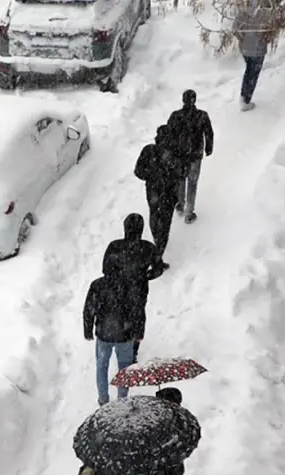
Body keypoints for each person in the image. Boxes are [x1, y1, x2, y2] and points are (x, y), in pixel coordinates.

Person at [101, 212, 167, 361]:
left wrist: (117, 278)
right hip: (139, 289)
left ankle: (120, 342)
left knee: (119, 313)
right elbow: (158, 269)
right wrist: (144, 276)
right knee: (137, 317)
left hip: (118, 288)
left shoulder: (115, 246)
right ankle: (133, 351)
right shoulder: (148, 248)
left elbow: (106, 269)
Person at [83, 255, 146, 406]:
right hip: (125, 334)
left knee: (101, 367)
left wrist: (88, 329)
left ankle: (103, 400)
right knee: (125, 369)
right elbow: (138, 309)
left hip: (103, 332)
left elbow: (89, 308)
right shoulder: (131, 284)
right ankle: (122, 400)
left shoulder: (97, 285)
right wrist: (139, 331)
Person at [164, 90, 214, 222]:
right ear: (194, 100)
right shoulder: (202, 116)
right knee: (192, 183)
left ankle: (180, 204)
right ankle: (189, 212)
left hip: (179, 155)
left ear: (183, 100)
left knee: (180, 179)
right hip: (195, 155)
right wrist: (209, 148)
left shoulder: (175, 116)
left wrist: (168, 151)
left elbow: (168, 135)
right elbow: (209, 133)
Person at [134, 126, 182, 256]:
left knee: (154, 214)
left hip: (153, 190)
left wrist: (150, 176)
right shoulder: (175, 152)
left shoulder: (148, 150)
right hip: (169, 191)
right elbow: (183, 172)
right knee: (165, 221)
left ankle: (157, 240)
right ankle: (159, 248)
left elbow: (138, 171)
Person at [234, 2, 272, 110]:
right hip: (258, 49)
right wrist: (265, 40)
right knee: (253, 74)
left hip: (246, 50)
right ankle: (246, 100)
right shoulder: (265, 12)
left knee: (248, 71)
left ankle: (243, 95)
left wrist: (242, 39)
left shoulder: (243, 11)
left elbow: (235, 29)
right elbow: (269, 32)